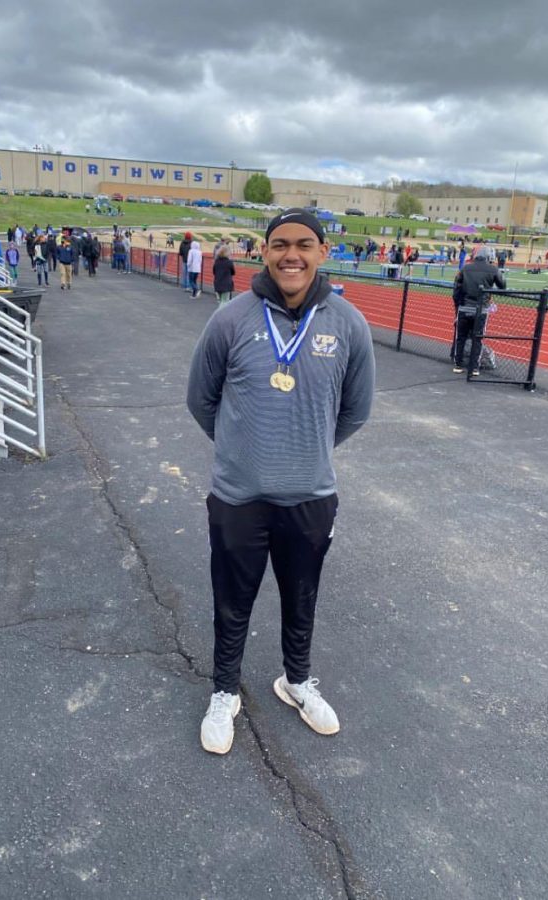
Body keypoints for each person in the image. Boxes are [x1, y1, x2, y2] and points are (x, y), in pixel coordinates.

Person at [187, 208, 375, 755]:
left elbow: (356, 410)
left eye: (303, 245)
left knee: (302, 597)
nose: (291, 254)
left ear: (322, 253)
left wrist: (307, 449)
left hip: (310, 496)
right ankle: (224, 691)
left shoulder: (348, 324)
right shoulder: (230, 320)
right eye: (280, 245)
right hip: (238, 497)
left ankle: (296, 681)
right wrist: (243, 452)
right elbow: (201, 399)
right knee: (231, 601)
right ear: (263, 252)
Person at [452, 246, 505, 376]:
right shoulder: (493, 269)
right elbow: (502, 285)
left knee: (461, 337)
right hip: (481, 309)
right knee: (478, 338)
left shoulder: (465, 268)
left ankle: (458, 365)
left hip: (464, 308)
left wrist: (458, 305)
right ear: (489, 257)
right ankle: (474, 368)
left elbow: (456, 287)